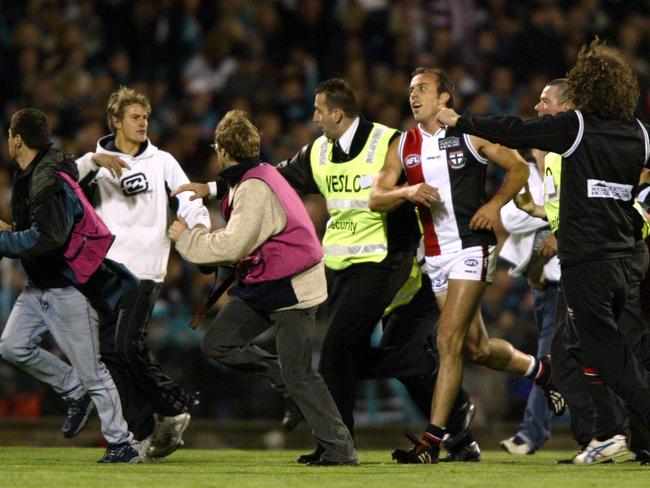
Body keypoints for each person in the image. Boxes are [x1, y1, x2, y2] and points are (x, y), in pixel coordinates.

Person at [175, 78, 479, 463]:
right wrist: (215, 189)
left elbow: (427, 187)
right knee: (341, 355)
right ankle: (434, 415)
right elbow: (271, 179)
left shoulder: (389, 142)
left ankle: (340, 443)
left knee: (335, 350)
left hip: (389, 261)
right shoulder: (318, 151)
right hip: (344, 266)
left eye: (319, 111)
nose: (315, 118)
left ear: (337, 113)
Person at [437, 39, 650, 464]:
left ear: (586, 90)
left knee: (608, 358)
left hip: (587, 262)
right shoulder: (640, 134)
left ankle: (621, 431)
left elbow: (515, 132)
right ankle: (634, 441)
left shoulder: (577, 127)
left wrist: (461, 121)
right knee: (613, 350)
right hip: (628, 259)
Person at [369, 67, 563, 464]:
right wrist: (407, 191)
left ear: (444, 99)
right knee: (474, 348)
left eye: (423, 88)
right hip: (435, 256)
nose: (414, 95)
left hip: (471, 248)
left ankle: (433, 439)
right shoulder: (403, 144)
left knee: (448, 341)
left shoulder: (468, 133)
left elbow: (518, 167)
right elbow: (376, 196)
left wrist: (494, 205)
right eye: (410, 89)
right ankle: (541, 371)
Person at [169, 109, 358, 466]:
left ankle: (339, 449)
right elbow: (239, 185)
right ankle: (284, 382)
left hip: (293, 287)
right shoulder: (262, 172)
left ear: (223, 150)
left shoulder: (255, 187)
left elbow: (231, 246)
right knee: (219, 342)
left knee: (300, 373)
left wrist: (187, 239)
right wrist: (208, 188)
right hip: (267, 281)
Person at [510, 78, 650, 464]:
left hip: (608, 253)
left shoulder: (576, 146)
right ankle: (613, 436)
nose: (538, 108)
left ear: (568, 106)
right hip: (592, 254)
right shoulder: (557, 152)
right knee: (589, 349)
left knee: (594, 349)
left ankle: (608, 435)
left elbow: (617, 189)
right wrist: (539, 213)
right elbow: (568, 204)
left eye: (545, 101)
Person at [74, 86, 211, 460]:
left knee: (126, 345)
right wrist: (92, 162)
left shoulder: (162, 161)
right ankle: (148, 430)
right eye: (135, 117)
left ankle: (172, 405)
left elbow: (188, 196)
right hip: (105, 272)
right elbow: (60, 182)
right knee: (108, 354)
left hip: (145, 269)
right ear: (115, 122)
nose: (143, 123)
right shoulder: (96, 165)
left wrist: (198, 228)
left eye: (145, 117)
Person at [0, 108, 140, 463]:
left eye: (9, 137)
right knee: (13, 346)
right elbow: (76, 168)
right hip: (39, 286)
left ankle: (122, 443)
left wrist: (5, 241)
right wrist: (94, 157)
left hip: (66, 288)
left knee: (93, 371)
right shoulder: (42, 169)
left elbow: (49, 237)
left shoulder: (46, 181)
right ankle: (72, 388)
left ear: (16, 140)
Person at [498, 80, 568, 456]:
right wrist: (555, 219)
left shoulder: (570, 165)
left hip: (566, 281)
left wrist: (550, 218)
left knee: (550, 360)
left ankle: (532, 433)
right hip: (543, 285)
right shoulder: (524, 174)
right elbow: (512, 218)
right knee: (554, 361)